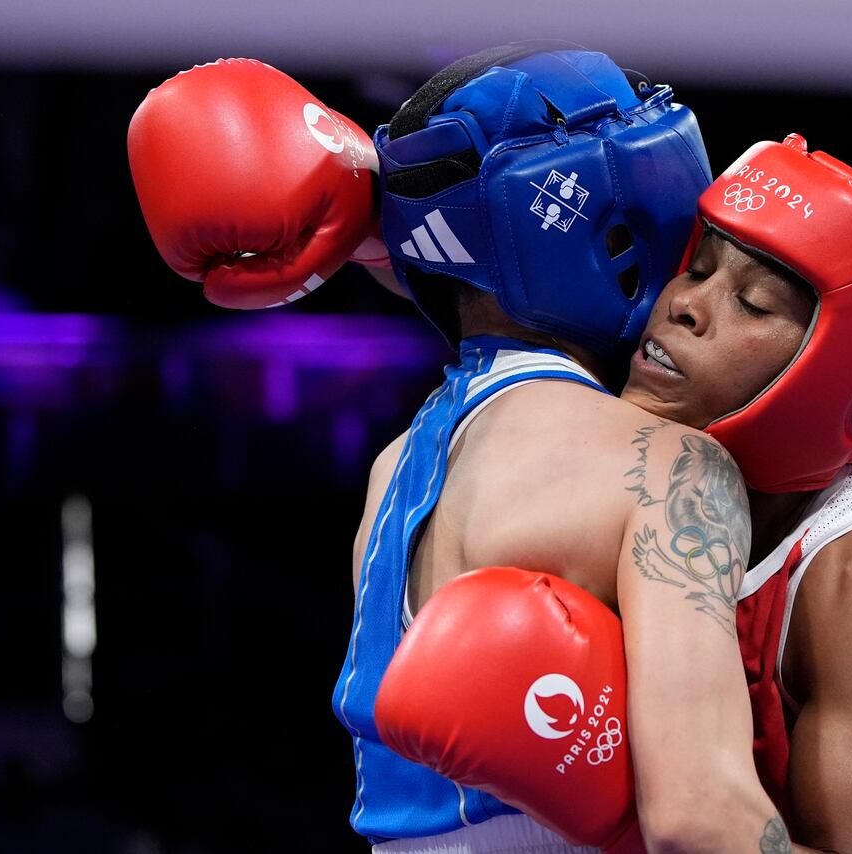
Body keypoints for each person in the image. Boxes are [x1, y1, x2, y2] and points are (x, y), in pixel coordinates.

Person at [378, 107, 852, 852]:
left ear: (851, 374)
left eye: (750, 303)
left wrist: (627, 823)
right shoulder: (633, 467)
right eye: (699, 268)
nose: (683, 306)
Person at [129, 42, 797, 854]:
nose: (692, 290)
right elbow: (703, 820)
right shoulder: (662, 467)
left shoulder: (395, 472)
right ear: (619, 223)